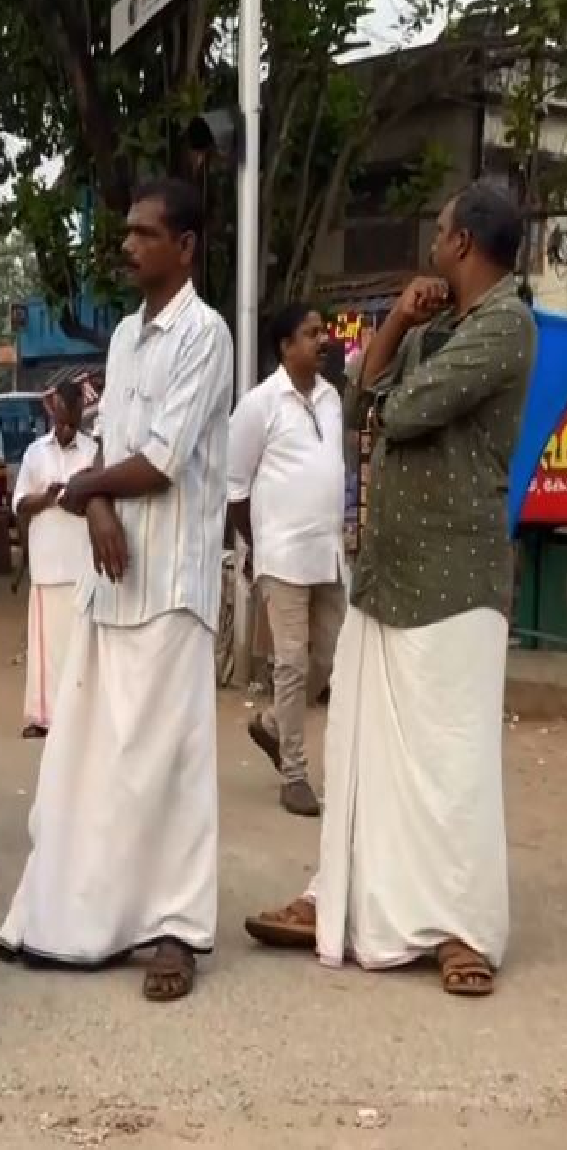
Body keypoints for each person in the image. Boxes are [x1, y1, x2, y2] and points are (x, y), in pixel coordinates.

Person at [245, 183, 537, 998]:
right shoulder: (445, 325)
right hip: (393, 570)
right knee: (368, 754)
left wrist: (391, 378)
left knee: (453, 764)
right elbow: (362, 393)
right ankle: (333, 898)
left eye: (440, 231)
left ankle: (460, 929)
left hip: (457, 577)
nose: (433, 242)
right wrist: (401, 321)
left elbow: (398, 411)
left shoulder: (505, 326)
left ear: (466, 244)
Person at [0, 179, 232, 1002]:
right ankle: (75, 915)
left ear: (186, 247)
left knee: (168, 763)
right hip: (111, 579)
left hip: (169, 579)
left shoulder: (207, 335)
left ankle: (176, 932)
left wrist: (82, 493)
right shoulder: (127, 339)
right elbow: (112, 445)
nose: (127, 245)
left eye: (143, 233)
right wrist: (93, 498)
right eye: (126, 232)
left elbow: (162, 462)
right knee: (91, 757)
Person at [226, 304, 347, 818]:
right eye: (311, 333)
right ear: (284, 346)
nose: (322, 340)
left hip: (329, 554)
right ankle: (294, 774)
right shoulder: (259, 404)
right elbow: (235, 487)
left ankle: (274, 722)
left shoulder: (331, 398)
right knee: (293, 662)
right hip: (282, 555)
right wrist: (255, 549)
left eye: (322, 332)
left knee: (333, 656)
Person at [12, 382, 97, 739]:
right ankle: (43, 717)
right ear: (54, 411)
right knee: (46, 649)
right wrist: (46, 498)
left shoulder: (94, 453)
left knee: (80, 647)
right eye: (59, 418)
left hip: (81, 564)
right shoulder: (35, 454)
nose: (64, 427)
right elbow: (19, 506)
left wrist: (77, 498)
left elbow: (102, 504)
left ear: (79, 413)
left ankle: (79, 717)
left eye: (70, 420)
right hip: (47, 564)